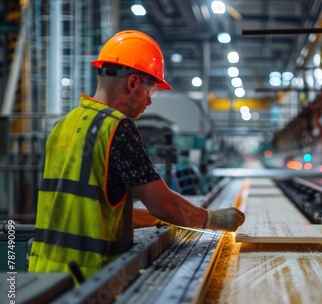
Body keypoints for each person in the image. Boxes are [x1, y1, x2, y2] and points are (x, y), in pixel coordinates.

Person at [28, 30, 245, 281]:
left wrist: (157, 219)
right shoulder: (116, 127)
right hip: (87, 279)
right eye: (150, 91)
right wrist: (213, 218)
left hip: (42, 276)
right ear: (133, 83)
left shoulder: (62, 125)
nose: (150, 103)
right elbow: (163, 204)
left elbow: (90, 208)